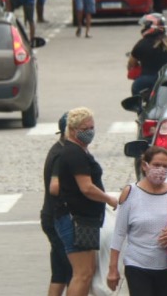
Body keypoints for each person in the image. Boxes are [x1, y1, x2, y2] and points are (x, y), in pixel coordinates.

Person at [107, 146, 167, 296]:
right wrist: (113, 269)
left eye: (165, 166)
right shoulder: (131, 193)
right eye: (156, 165)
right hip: (137, 265)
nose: (161, 170)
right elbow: (119, 233)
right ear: (145, 165)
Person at [54, 107, 118, 296]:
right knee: (82, 273)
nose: (90, 131)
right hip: (75, 219)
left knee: (88, 271)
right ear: (73, 130)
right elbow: (87, 187)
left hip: (85, 219)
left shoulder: (79, 150)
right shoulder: (73, 153)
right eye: (85, 128)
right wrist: (109, 199)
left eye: (92, 127)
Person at [42, 112, 72, 296]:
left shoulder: (59, 148)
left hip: (50, 215)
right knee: (74, 272)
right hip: (58, 218)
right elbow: (55, 187)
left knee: (59, 273)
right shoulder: (63, 153)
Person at [129, 13, 167, 96]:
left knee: (136, 89)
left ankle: (138, 104)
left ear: (150, 26)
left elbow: (131, 63)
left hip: (146, 80)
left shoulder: (141, 44)